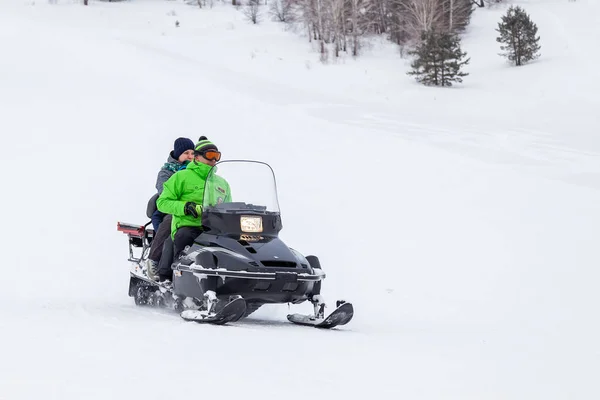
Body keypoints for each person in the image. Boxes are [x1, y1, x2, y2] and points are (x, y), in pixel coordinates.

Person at [155, 136, 231, 282]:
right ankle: (176, 277)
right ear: (197, 157)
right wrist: (185, 207)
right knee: (185, 235)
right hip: (188, 225)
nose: (214, 160)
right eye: (210, 155)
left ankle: (230, 279)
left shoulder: (223, 184)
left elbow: (228, 208)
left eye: (217, 156)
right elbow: (162, 202)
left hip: (213, 230)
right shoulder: (181, 177)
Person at [145, 137, 195, 281]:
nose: (190, 157)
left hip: (190, 210)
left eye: (192, 153)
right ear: (177, 154)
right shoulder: (166, 172)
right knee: (171, 221)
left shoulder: (196, 172)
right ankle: (153, 260)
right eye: (186, 153)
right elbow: (165, 195)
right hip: (167, 211)